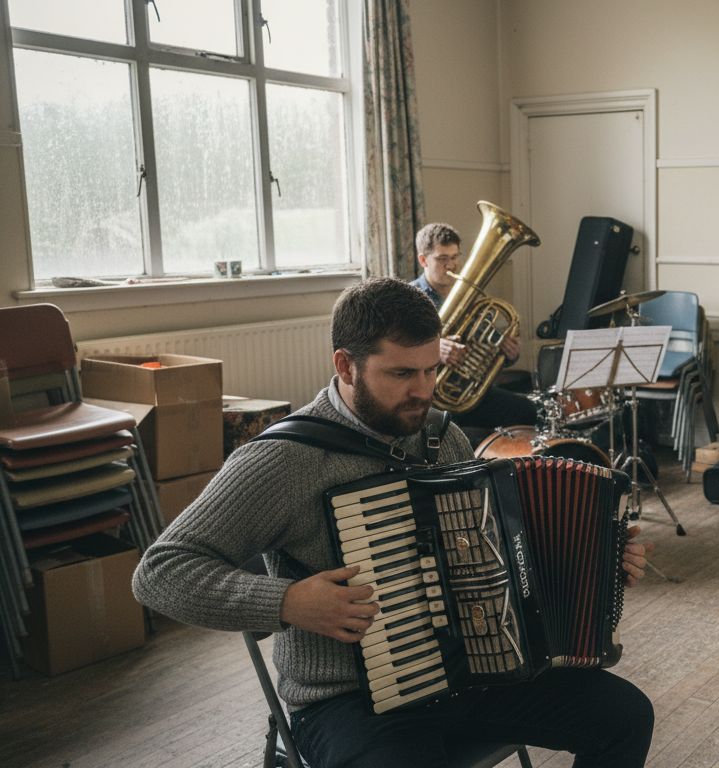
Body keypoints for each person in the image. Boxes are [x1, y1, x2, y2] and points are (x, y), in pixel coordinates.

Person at [132, 278, 655, 767]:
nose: (423, 391)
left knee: (624, 716)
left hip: (473, 674)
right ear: (345, 365)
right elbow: (159, 572)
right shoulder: (284, 461)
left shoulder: (441, 437)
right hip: (348, 702)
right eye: (402, 374)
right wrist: (286, 602)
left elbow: (497, 555)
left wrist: (602, 558)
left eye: (431, 370)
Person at [412, 223, 538, 438]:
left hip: (471, 394)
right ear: (423, 260)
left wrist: (506, 353)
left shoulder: (471, 299)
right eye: (442, 259)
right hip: (430, 398)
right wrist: (434, 350)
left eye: (455, 257)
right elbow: (398, 352)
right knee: (459, 438)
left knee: (532, 412)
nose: (451, 266)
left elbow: (486, 351)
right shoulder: (410, 299)